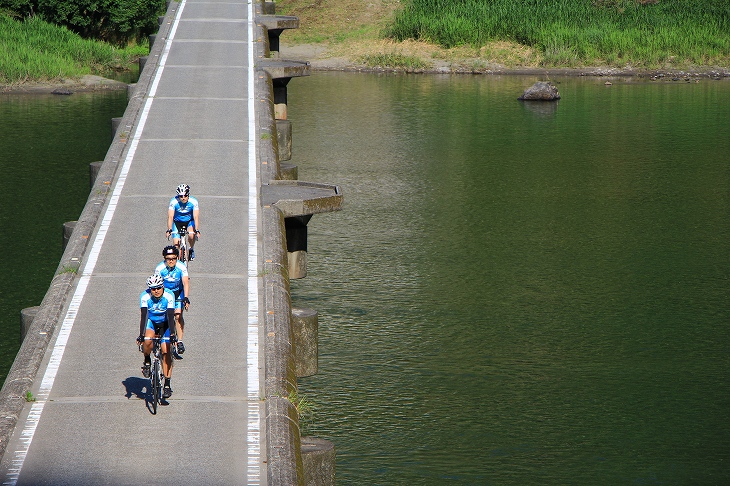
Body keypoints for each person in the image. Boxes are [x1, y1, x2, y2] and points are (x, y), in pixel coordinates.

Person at [137, 274, 180, 399]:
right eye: (153, 288)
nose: (156, 291)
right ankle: (147, 360)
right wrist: (141, 335)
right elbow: (144, 316)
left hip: (166, 323)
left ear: (163, 286)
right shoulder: (144, 296)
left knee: (166, 351)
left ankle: (167, 384)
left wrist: (172, 334)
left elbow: (171, 315)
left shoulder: (169, 295)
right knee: (147, 340)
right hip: (152, 322)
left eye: (158, 288)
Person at [154, 245, 190, 353]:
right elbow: (156, 285)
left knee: (178, 315)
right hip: (164, 293)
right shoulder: (160, 268)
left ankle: (179, 341)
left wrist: (186, 298)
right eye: (168, 259)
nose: (171, 261)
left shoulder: (181, 267)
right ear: (164, 258)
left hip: (178, 292)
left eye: (174, 258)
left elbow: (185, 283)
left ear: (177, 258)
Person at [166, 183, 200, 260]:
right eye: (181, 196)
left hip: (189, 222)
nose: (183, 198)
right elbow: (170, 216)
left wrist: (197, 230)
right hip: (177, 222)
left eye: (185, 195)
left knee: (191, 236)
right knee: (176, 244)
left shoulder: (193, 202)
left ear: (188, 195)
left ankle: (191, 249)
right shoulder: (173, 201)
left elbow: (196, 216)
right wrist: (169, 229)